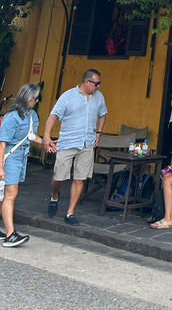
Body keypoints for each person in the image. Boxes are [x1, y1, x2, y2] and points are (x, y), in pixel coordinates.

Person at [41, 68, 107, 225]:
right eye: (96, 84)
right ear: (86, 82)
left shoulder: (99, 97)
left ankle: (70, 212)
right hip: (68, 141)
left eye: (99, 84)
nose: (98, 87)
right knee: (59, 176)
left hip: (87, 142)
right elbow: (53, 116)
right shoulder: (68, 96)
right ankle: (55, 195)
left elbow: (103, 114)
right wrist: (47, 136)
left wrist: (99, 132)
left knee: (80, 178)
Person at [0, 83, 44, 247]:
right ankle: (10, 235)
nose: (37, 100)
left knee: (4, 195)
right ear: (27, 98)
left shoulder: (32, 115)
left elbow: (31, 136)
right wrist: (0, 167)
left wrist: (46, 143)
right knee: (11, 194)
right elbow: (2, 143)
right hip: (8, 158)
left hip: (21, 158)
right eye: (35, 98)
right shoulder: (12, 117)